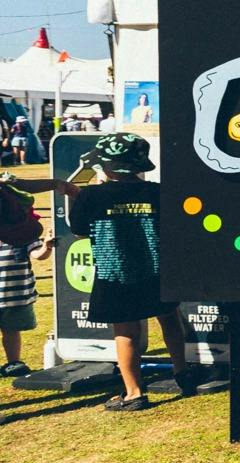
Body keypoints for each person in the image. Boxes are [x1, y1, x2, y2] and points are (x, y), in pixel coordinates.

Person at [63, 134, 200, 409]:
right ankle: (182, 372)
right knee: (170, 318)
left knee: (126, 332)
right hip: (157, 268)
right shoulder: (159, 192)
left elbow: (78, 229)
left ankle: (134, 393)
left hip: (116, 273)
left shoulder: (91, 195)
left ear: (107, 167)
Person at [1, 172, 75, 376]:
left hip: (14, 296)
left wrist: (47, 247)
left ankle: (13, 362)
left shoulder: (23, 233)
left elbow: (37, 255)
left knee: (11, 330)